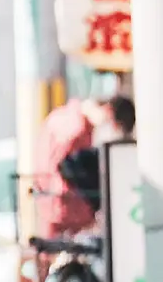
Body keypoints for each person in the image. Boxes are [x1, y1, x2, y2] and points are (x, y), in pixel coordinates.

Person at [33, 91, 135, 238]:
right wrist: (95, 204)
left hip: (49, 202)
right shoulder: (78, 130)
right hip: (68, 207)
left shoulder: (60, 116)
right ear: (108, 112)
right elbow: (67, 168)